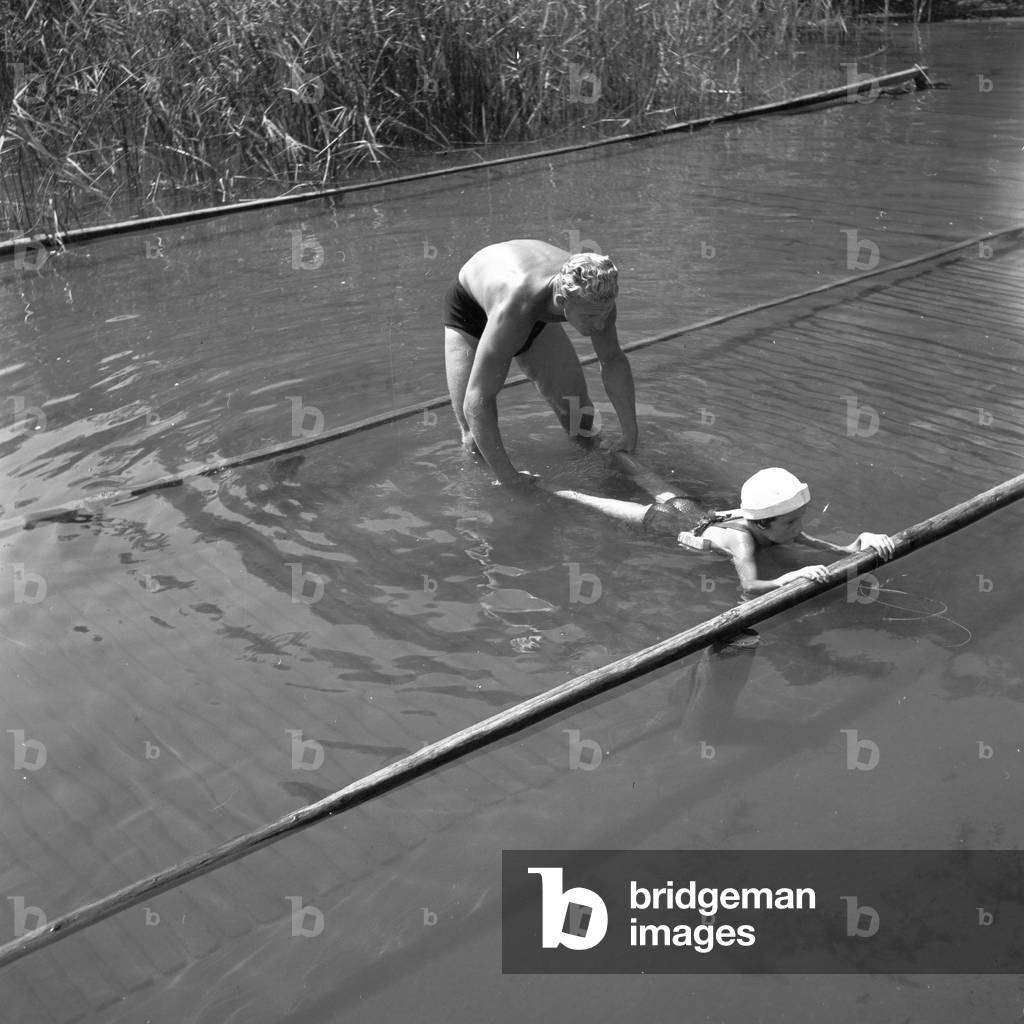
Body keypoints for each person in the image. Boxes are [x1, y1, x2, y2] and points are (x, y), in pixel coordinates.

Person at [443, 239, 639, 486]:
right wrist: (509, 477)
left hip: (530, 301)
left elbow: (612, 360)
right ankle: (485, 499)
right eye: (590, 317)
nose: (600, 325)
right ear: (561, 301)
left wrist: (629, 433)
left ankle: (608, 481)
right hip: (472, 311)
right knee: (474, 441)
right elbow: (478, 398)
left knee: (580, 418)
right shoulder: (515, 309)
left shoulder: (598, 298)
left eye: (604, 315)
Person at [548, 462, 895, 595]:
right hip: (667, 520)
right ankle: (551, 489)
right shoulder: (743, 542)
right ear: (762, 523)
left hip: (693, 510)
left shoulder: (780, 528)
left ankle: (615, 452)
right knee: (590, 500)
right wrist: (788, 577)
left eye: (800, 518)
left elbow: (842, 551)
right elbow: (750, 585)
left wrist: (864, 539)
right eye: (792, 522)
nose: (800, 528)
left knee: (642, 473)